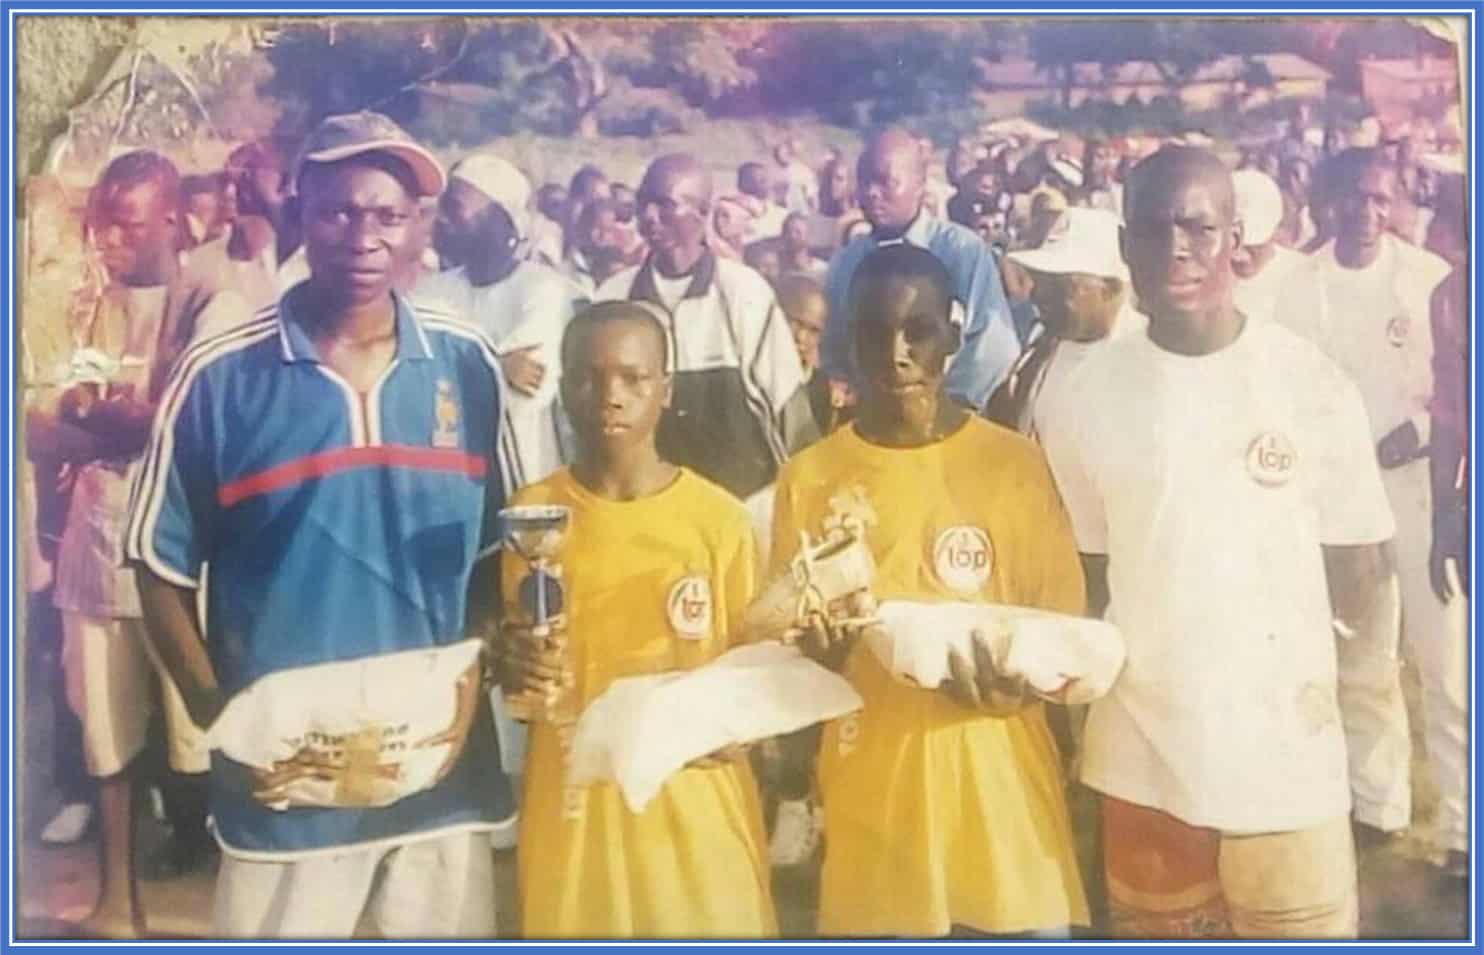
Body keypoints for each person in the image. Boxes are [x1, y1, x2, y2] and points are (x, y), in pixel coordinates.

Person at [126, 111, 513, 939]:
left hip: (437, 781)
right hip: (287, 790)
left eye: (389, 215)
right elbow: (156, 566)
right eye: (340, 211)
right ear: (299, 213)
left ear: (419, 227)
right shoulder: (221, 372)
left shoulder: (467, 364)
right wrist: (225, 719)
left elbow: (497, 553)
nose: (365, 238)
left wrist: (473, 671)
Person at [1042, 146, 1395, 938]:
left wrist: (1301, 683)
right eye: (1155, 230)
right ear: (1125, 246)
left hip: (1283, 759)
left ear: (1236, 236)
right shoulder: (1082, 397)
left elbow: (1360, 567)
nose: (1177, 249)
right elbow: (1094, 575)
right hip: (1142, 760)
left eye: (1199, 228)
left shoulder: (1308, 382)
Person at [775, 243, 1089, 938]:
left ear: (954, 330)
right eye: (874, 332)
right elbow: (792, 651)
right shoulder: (810, 476)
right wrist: (816, 658)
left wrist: (1027, 686)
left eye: (918, 330)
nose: (896, 353)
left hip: (1001, 797)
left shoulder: (1014, 465)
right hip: (876, 801)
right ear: (848, 341)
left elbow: (1062, 629)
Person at [498, 300, 777, 938]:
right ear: (564, 387)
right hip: (577, 817)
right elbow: (529, 678)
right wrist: (512, 658)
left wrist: (740, 725)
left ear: (666, 390)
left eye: (633, 378)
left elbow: (756, 681)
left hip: (695, 814)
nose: (610, 397)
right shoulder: (534, 513)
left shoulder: (719, 520)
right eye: (589, 378)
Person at [29, 150, 249, 937]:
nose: (111, 240)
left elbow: (186, 419)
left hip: (186, 555)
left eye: (126, 224)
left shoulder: (213, 298)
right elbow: (40, 427)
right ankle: (116, 907)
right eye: (101, 224)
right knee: (107, 740)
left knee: (217, 731)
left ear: (170, 220)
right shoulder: (90, 303)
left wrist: (96, 422)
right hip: (96, 547)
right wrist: (92, 424)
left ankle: (238, 912)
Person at [1274, 147, 1461, 869]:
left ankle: (1463, 827)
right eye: (1353, 200)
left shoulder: (1426, 279)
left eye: (1381, 200)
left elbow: (1449, 392)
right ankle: (1377, 803)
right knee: (1362, 657)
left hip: (1418, 488)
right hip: (1339, 499)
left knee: (1445, 660)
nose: (1366, 215)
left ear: (1398, 204)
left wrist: (1412, 434)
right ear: (1327, 203)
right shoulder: (1301, 288)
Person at [594, 153, 818, 500]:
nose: (651, 217)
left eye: (666, 205)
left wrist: (812, 495)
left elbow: (787, 408)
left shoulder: (743, 292)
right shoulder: (613, 299)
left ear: (703, 212)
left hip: (741, 505)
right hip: (647, 508)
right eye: (645, 204)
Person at [821, 128, 1022, 413]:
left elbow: (993, 347)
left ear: (920, 183)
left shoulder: (962, 252)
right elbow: (833, 344)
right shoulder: (847, 261)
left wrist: (942, 410)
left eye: (885, 181)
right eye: (864, 182)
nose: (871, 193)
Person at [419, 151, 575, 489]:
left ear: (500, 219)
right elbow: (413, 380)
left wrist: (447, 375)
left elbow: (529, 386)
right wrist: (495, 366)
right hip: (448, 479)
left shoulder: (543, 289)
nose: (442, 219)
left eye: (456, 208)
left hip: (526, 478)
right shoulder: (429, 292)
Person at [983, 207, 1141, 442]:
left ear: (1111, 288)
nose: (1038, 294)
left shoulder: (1143, 367)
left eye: (1059, 285)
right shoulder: (1042, 352)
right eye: (1039, 280)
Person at [1230, 169, 1308, 325]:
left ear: (1275, 229)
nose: (1239, 254)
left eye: (1252, 244)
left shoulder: (1303, 275)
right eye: (1232, 241)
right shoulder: (1202, 279)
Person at [560, 197, 631, 303]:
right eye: (597, 228)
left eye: (608, 230)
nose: (603, 236)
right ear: (583, 227)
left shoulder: (615, 264)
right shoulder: (567, 267)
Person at [806, 155, 863, 258]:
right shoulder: (814, 219)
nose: (833, 183)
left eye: (839, 179)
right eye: (829, 177)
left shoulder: (858, 219)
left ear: (850, 182)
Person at [736, 161, 789, 242]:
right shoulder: (733, 214)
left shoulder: (782, 215)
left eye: (766, 179)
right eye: (762, 180)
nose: (768, 184)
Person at [777, 212, 827, 281]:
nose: (792, 236)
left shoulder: (822, 270)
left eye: (798, 232)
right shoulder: (778, 271)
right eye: (788, 231)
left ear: (809, 234)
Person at [773, 138, 818, 213]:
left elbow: (812, 196)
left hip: (798, 213)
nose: (785, 154)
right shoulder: (774, 171)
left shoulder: (803, 171)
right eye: (778, 154)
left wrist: (813, 211)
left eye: (790, 152)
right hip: (780, 212)